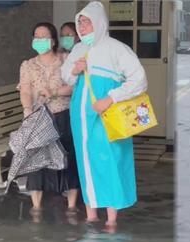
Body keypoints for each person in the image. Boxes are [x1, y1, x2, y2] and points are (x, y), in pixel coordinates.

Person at [61, 2, 147, 226]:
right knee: (86, 162)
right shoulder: (78, 49)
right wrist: (74, 70)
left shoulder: (116, 49)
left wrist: (110, 98)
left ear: (99, 22)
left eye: (87, 21)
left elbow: (139, 80)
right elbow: (66, 78)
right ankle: (91, 214)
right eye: (80, 22)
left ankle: (111, 218)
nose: (82, 26)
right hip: (81, 119)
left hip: (108, 117)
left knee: (110, 160)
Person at [18, 22, 80, 217]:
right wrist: (27, 109)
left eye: (43, 36)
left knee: (68, 157)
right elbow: (25, 90)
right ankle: (36, 206)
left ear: (53, 40)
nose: (39, 39)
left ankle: (71, 205)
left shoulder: (66, 60)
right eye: (36, 36)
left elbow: (75, 87)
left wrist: (53, 92)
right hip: (38, 117)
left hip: (63, 115)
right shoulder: (28, 65)